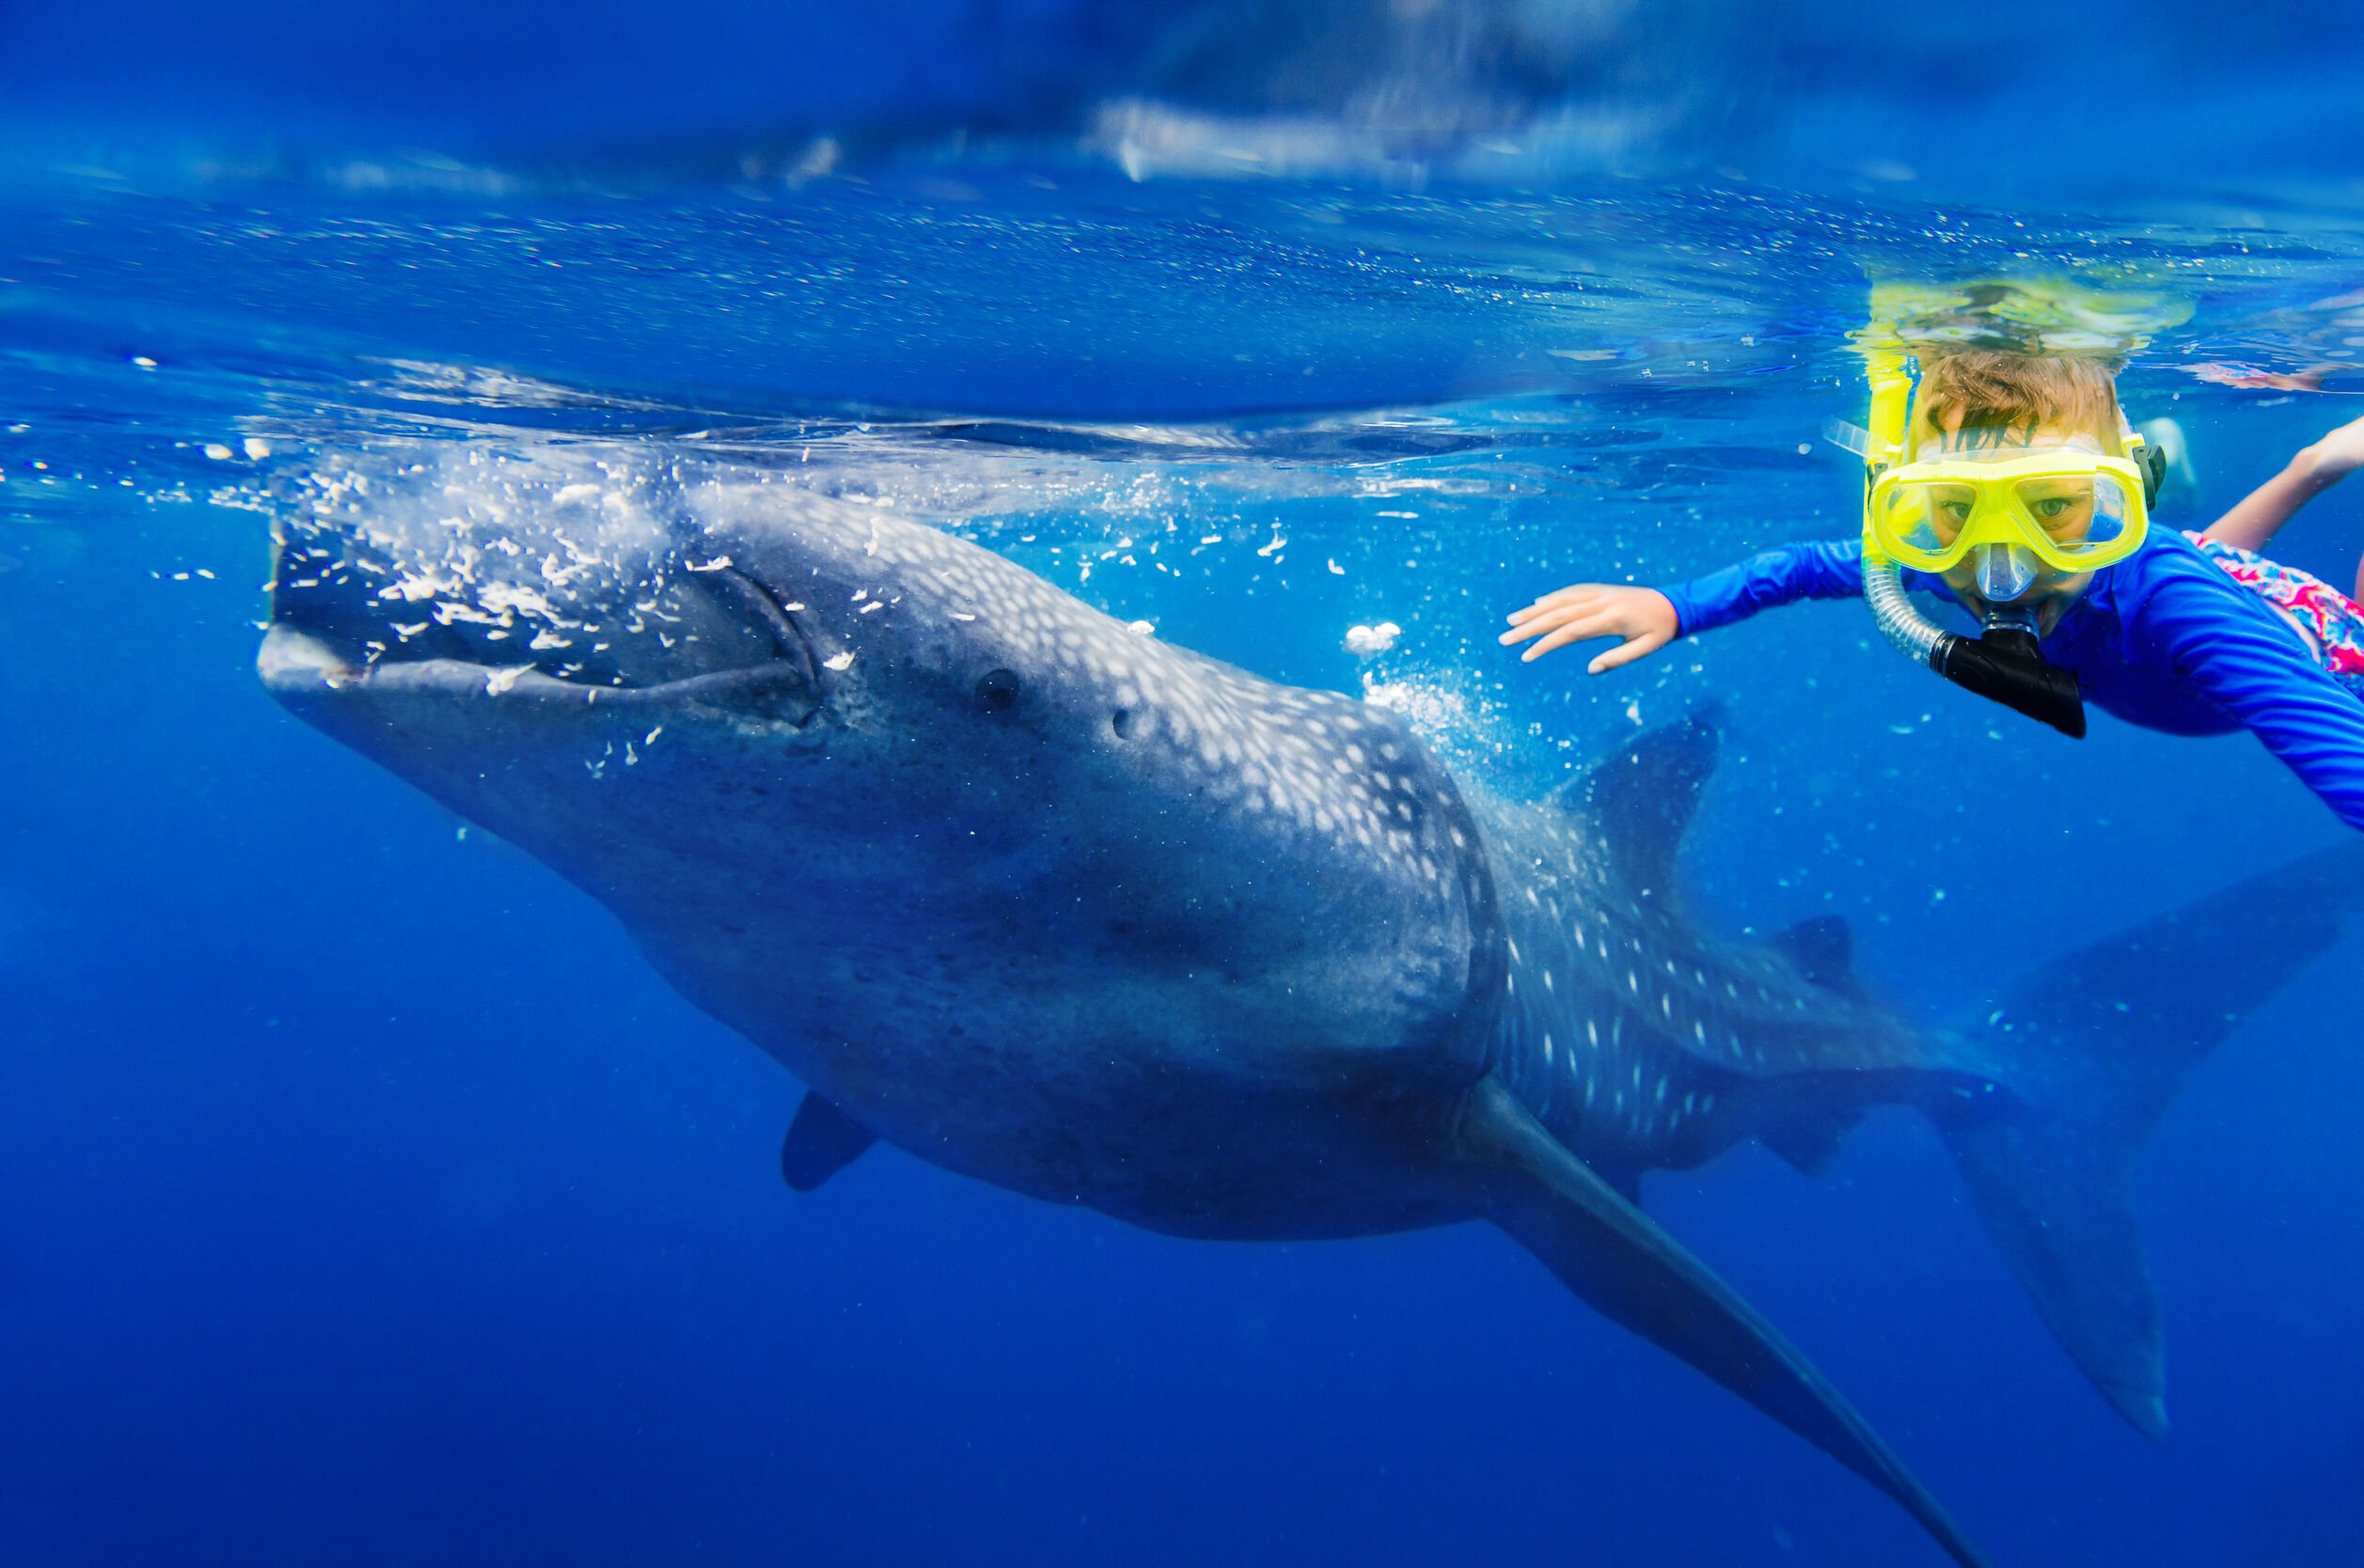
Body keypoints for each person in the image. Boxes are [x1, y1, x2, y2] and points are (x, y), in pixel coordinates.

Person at [1500, 349, 2364, 831]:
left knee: (2189, 582)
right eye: (1952, 511)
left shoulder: (2184, 609)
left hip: (2315, 631)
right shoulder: (1925, 563)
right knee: (2184, 569)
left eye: (2052, 509)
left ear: (2113, 497)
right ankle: (2313, 460)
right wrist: (1676, 605)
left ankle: (2318, 461)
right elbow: (1803, 566)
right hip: (2181, 584)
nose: (2001, 569)